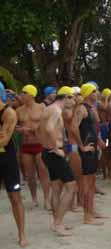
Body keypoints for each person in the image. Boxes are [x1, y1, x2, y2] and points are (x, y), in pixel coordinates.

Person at [38, 86, 78, 237]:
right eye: (72, 97)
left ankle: (57, 222)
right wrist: (55, 148)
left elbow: (39, 129)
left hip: (47, 152)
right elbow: (48, 128)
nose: (74, 101)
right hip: (54, 153)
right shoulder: (55, 110)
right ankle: (57, 223)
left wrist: (46, 145)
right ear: (66, 98)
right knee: (71, 186)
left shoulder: (49, 109)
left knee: (56, 188)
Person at [70, 82, 106, 225]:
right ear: (87, 93)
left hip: (93, 148)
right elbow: (73, 126)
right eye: (94, 91)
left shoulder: (92, 108)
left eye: (96, 91)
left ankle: (91, 211)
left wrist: (99, 140)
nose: (96, 93)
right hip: (86, 150)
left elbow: (93, 128)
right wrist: (81, 145)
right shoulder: (82, 108)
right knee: (86, 183)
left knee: (91, 182)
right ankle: (87, 216)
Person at [0, 82, 28, 247]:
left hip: (7, 159)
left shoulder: (9, 113)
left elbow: (4, 140)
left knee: (15, 197)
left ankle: (22, 234)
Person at [16, 84, 51, 210]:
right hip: (26, 145)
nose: (21, 95)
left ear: (31, 94)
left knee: (43, 171)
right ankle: (34, 198)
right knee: (30, 175)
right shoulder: (19, 110)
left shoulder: (41, 107)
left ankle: (47, 199)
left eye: (24, 93)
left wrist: (39, 127)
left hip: (40, 143)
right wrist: (21, 129)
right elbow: (14, 126)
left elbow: (48, 122)